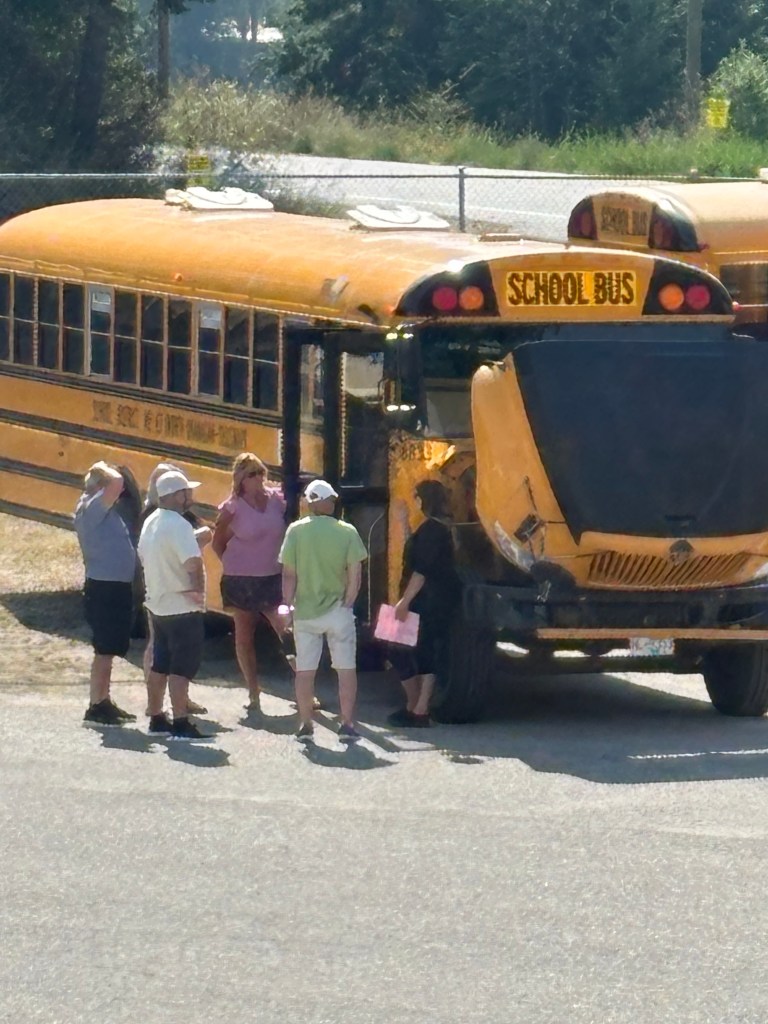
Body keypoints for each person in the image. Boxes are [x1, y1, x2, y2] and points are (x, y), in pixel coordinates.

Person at [279, 479, 367, 742]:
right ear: (329, 502)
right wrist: (348, 602)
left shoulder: (295, 531)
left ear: (309, 503)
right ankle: (347, 724)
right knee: (346, 669)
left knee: (305, 671)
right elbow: (355, 574)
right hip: (338, 611)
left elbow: (289, 574)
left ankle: (306, 724)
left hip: (305, 612)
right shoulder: (347, 531)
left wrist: (288, 606)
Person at [212, 452, 287, 712]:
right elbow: (217, 542)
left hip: (273, 577)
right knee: (244, 635)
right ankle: (253, 692)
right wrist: (233, 565)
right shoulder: (232, 508)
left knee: (287, 630)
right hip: (241, 580)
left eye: (261, 472)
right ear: (241, 480)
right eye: (252, 474)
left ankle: (305, 690)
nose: (258, 478)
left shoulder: (277, 501)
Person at [137, 470, 208, 741]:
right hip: (181, 605)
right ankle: (180, 721)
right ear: (178, 496)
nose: (191, 496)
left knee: (160, 664)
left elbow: (142, 555)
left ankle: (157, 717)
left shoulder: (151, 521)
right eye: (187, 492)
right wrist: (197, 591)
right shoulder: (179, 525)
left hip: (158, 603)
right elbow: (192, 563)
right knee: (182, 667)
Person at [387, 480, 462, 728]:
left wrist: (404, 601)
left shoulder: (433, 529)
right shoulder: (438, 527)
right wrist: (404, 522)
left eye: (417, 497)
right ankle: (417, 706)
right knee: (421, 650)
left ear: (425, 500)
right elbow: (416, 552)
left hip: (426, 600)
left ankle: (417, 706)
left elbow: (421, 570)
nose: (415, 501)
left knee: (401, 648)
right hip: (434, 599)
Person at [74, 461, 138, 726]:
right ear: (99, 487)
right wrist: (102, 468)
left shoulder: (101, 510)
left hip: (115, 585)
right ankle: (95, 706)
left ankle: (104, 700)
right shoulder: (91, 508)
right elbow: (117, 483)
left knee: (109, 649)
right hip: (105, 588)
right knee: (104, 649)